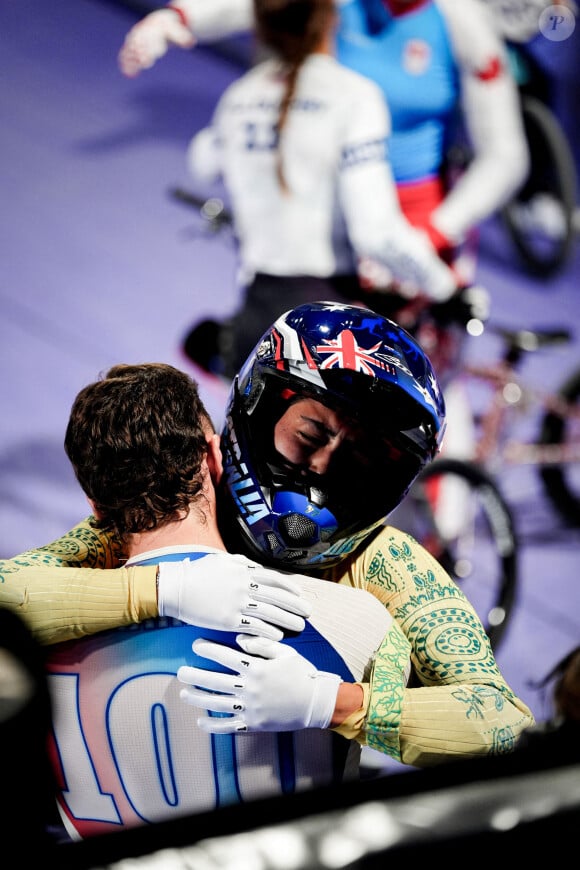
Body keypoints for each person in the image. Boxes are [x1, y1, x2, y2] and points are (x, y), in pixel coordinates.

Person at [0, 303, 535, 769]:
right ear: (259, 410)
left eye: (359, 459)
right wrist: (161, 589)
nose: (323, 468)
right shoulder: (180, 499)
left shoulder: (388, 561)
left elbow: (503, 724)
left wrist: (332, 703)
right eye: (309, 435)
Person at [45, 362, 400, 837]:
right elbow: (483, 729)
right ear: (214, 457)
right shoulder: (353, 620)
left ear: (96, 507)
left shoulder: (40, 646)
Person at [118, 0, 528, 373]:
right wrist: (175, 18)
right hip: (345, 215)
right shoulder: (355, 93)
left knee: (422, 375)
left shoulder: (461, 20)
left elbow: (506, 157)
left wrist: (435, 232)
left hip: (421, 219)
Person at [180, 0, 459, 379]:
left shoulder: (240, 97)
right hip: (323, 330)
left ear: (261, 28)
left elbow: (202, 164)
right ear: (331, 18)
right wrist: (445, 286)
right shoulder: (356, 96)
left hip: (256, 319)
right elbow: (377, 234)